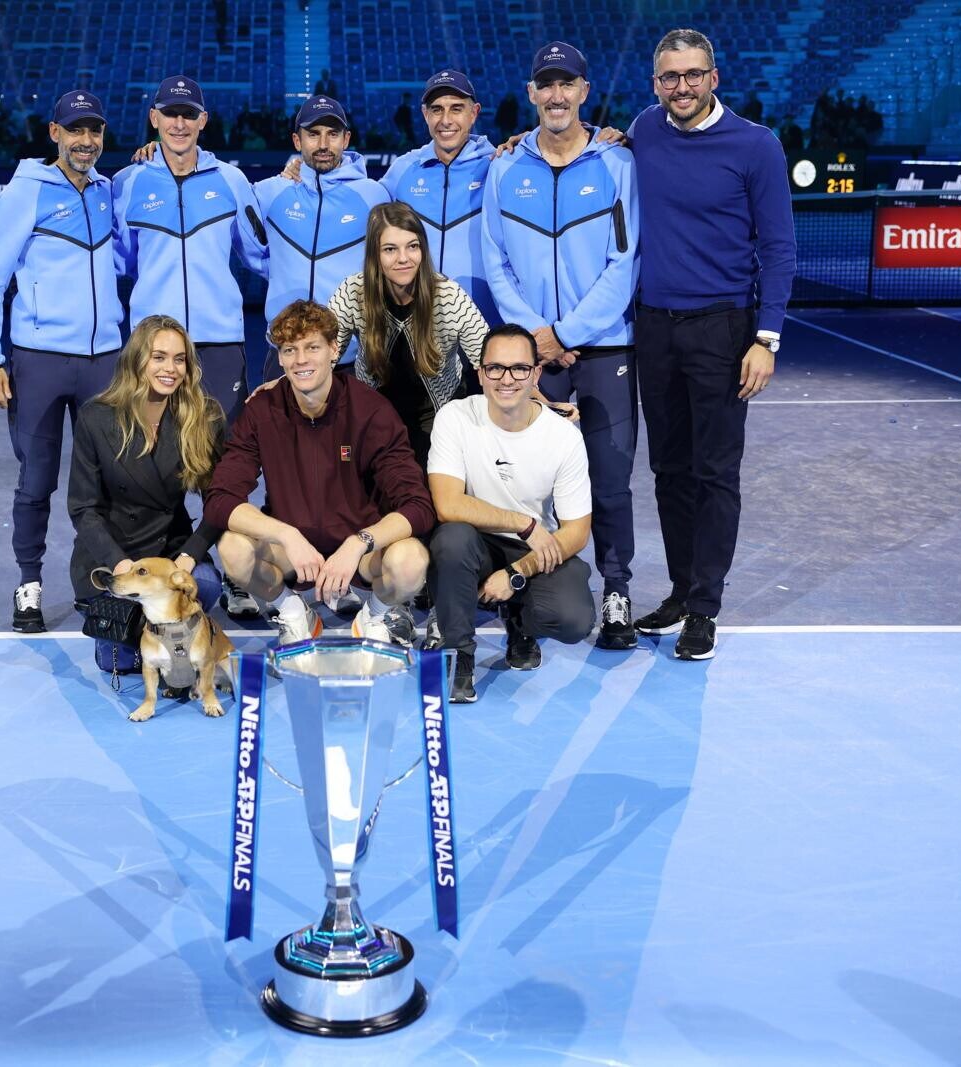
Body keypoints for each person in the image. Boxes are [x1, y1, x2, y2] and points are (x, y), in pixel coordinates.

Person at [628, 28, 794, 660]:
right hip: (653, 327)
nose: (682, 87)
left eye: (692, 75)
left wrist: (766, 338)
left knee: (715, 472)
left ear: (714, 78)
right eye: (670, 77)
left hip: (723, 330)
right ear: (656, 84)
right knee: (668, 470)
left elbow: (778, 248)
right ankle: (680, 590)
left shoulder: (756, 146)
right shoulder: (643, 130)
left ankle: (704, 609)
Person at [482, 40, 641, 652]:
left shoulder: (617, 164)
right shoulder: (504, 168)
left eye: (566, 84)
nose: (556, 95)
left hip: (603, 349)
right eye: (545, 84)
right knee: (522, 486)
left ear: (583, 92)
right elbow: (496, 262)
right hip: (531, 355)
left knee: (610, 480)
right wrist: (537, 339)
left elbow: (624, 263)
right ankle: (524, 606)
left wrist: (565, 334)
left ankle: (617, 591)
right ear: (532, 94)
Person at [0, 90, 125, 633]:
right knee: (37, 480)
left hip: (103, 361)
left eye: (94, 131)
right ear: (54, 134)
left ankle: (97, 581)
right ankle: (29, 582)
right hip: (38, 362)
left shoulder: (107, 191)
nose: (86, 141)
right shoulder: (24, 193)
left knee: (103, 484)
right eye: (75, 130)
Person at [204, 300, 435, 646]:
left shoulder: (371, 410)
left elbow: (417, 505)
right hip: (292, 553)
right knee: (233, 549)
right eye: (290, 350)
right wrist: (286, 535)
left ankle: (375, 615)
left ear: (333, 350)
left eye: (312, 347)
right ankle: (293, 612)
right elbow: (220, 500)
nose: (301, 360)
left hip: (361, 552)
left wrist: (358, 543)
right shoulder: (262, 411)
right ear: (280, 358)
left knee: (411, 561)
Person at [426, 324, 596, 701]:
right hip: (475, 542)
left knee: (574, 619)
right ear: (480, 373)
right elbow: (448, 505)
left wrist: (516, 573)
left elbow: (576, 532)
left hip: (530, 551)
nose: (507, 379)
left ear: (536, 374)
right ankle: (459, 655)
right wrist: (524, 523)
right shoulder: (455, 418)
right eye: (495, 368)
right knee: (451, 539)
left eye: (519, 368)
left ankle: (521, 623)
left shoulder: (564, 437)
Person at [69, 315, 227, 673]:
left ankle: (170, 642)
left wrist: (189, 557)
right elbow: (83, 508)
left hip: (169, 549)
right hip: (114, 554)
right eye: (159, 357)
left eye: (179, 359)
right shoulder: (96, 417)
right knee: (120, 663)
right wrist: (122, 567)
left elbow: (219, 500)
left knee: (203, 584)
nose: (170, 368)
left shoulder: (204, 416)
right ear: (137, 360)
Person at [113, 76, 268, 424]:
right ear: (155, 118)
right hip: (152, 345)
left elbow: (261, 255)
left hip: (219, 343)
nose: (179, 124)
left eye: (189, 114)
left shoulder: (232, 181)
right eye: (171, 114)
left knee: (224, 452)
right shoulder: (127, 183)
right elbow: (118, 262)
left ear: (203, 120)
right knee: (154, 453)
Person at [324, 201, 490, 464]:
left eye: (412, 246)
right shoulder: (353, 290)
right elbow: (323, 351)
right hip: (374, 414)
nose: (404, 258)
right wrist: (283, 384)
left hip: (439, 417)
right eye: (390, 249)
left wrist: (535, 399)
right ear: (374, 254)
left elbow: (490, 358)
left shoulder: (448, 295)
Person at [253, 96, 390, 344]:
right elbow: (245, 244)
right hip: (286, 347)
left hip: (352, 350)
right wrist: (278, 271)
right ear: (297, 140)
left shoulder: (374, 196)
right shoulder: (269, 193)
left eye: (333, 134)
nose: (323, 144)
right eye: (313, 134)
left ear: (346, 139)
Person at [379, 70, 499, 323]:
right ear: (425, 114)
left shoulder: (497, 165)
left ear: (474, 113)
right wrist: (303, 172)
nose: (445, 120)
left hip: (484, 325)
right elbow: (356, 203)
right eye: (437, 110)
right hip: (417, 326)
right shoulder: (403, 169)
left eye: (456, 109)